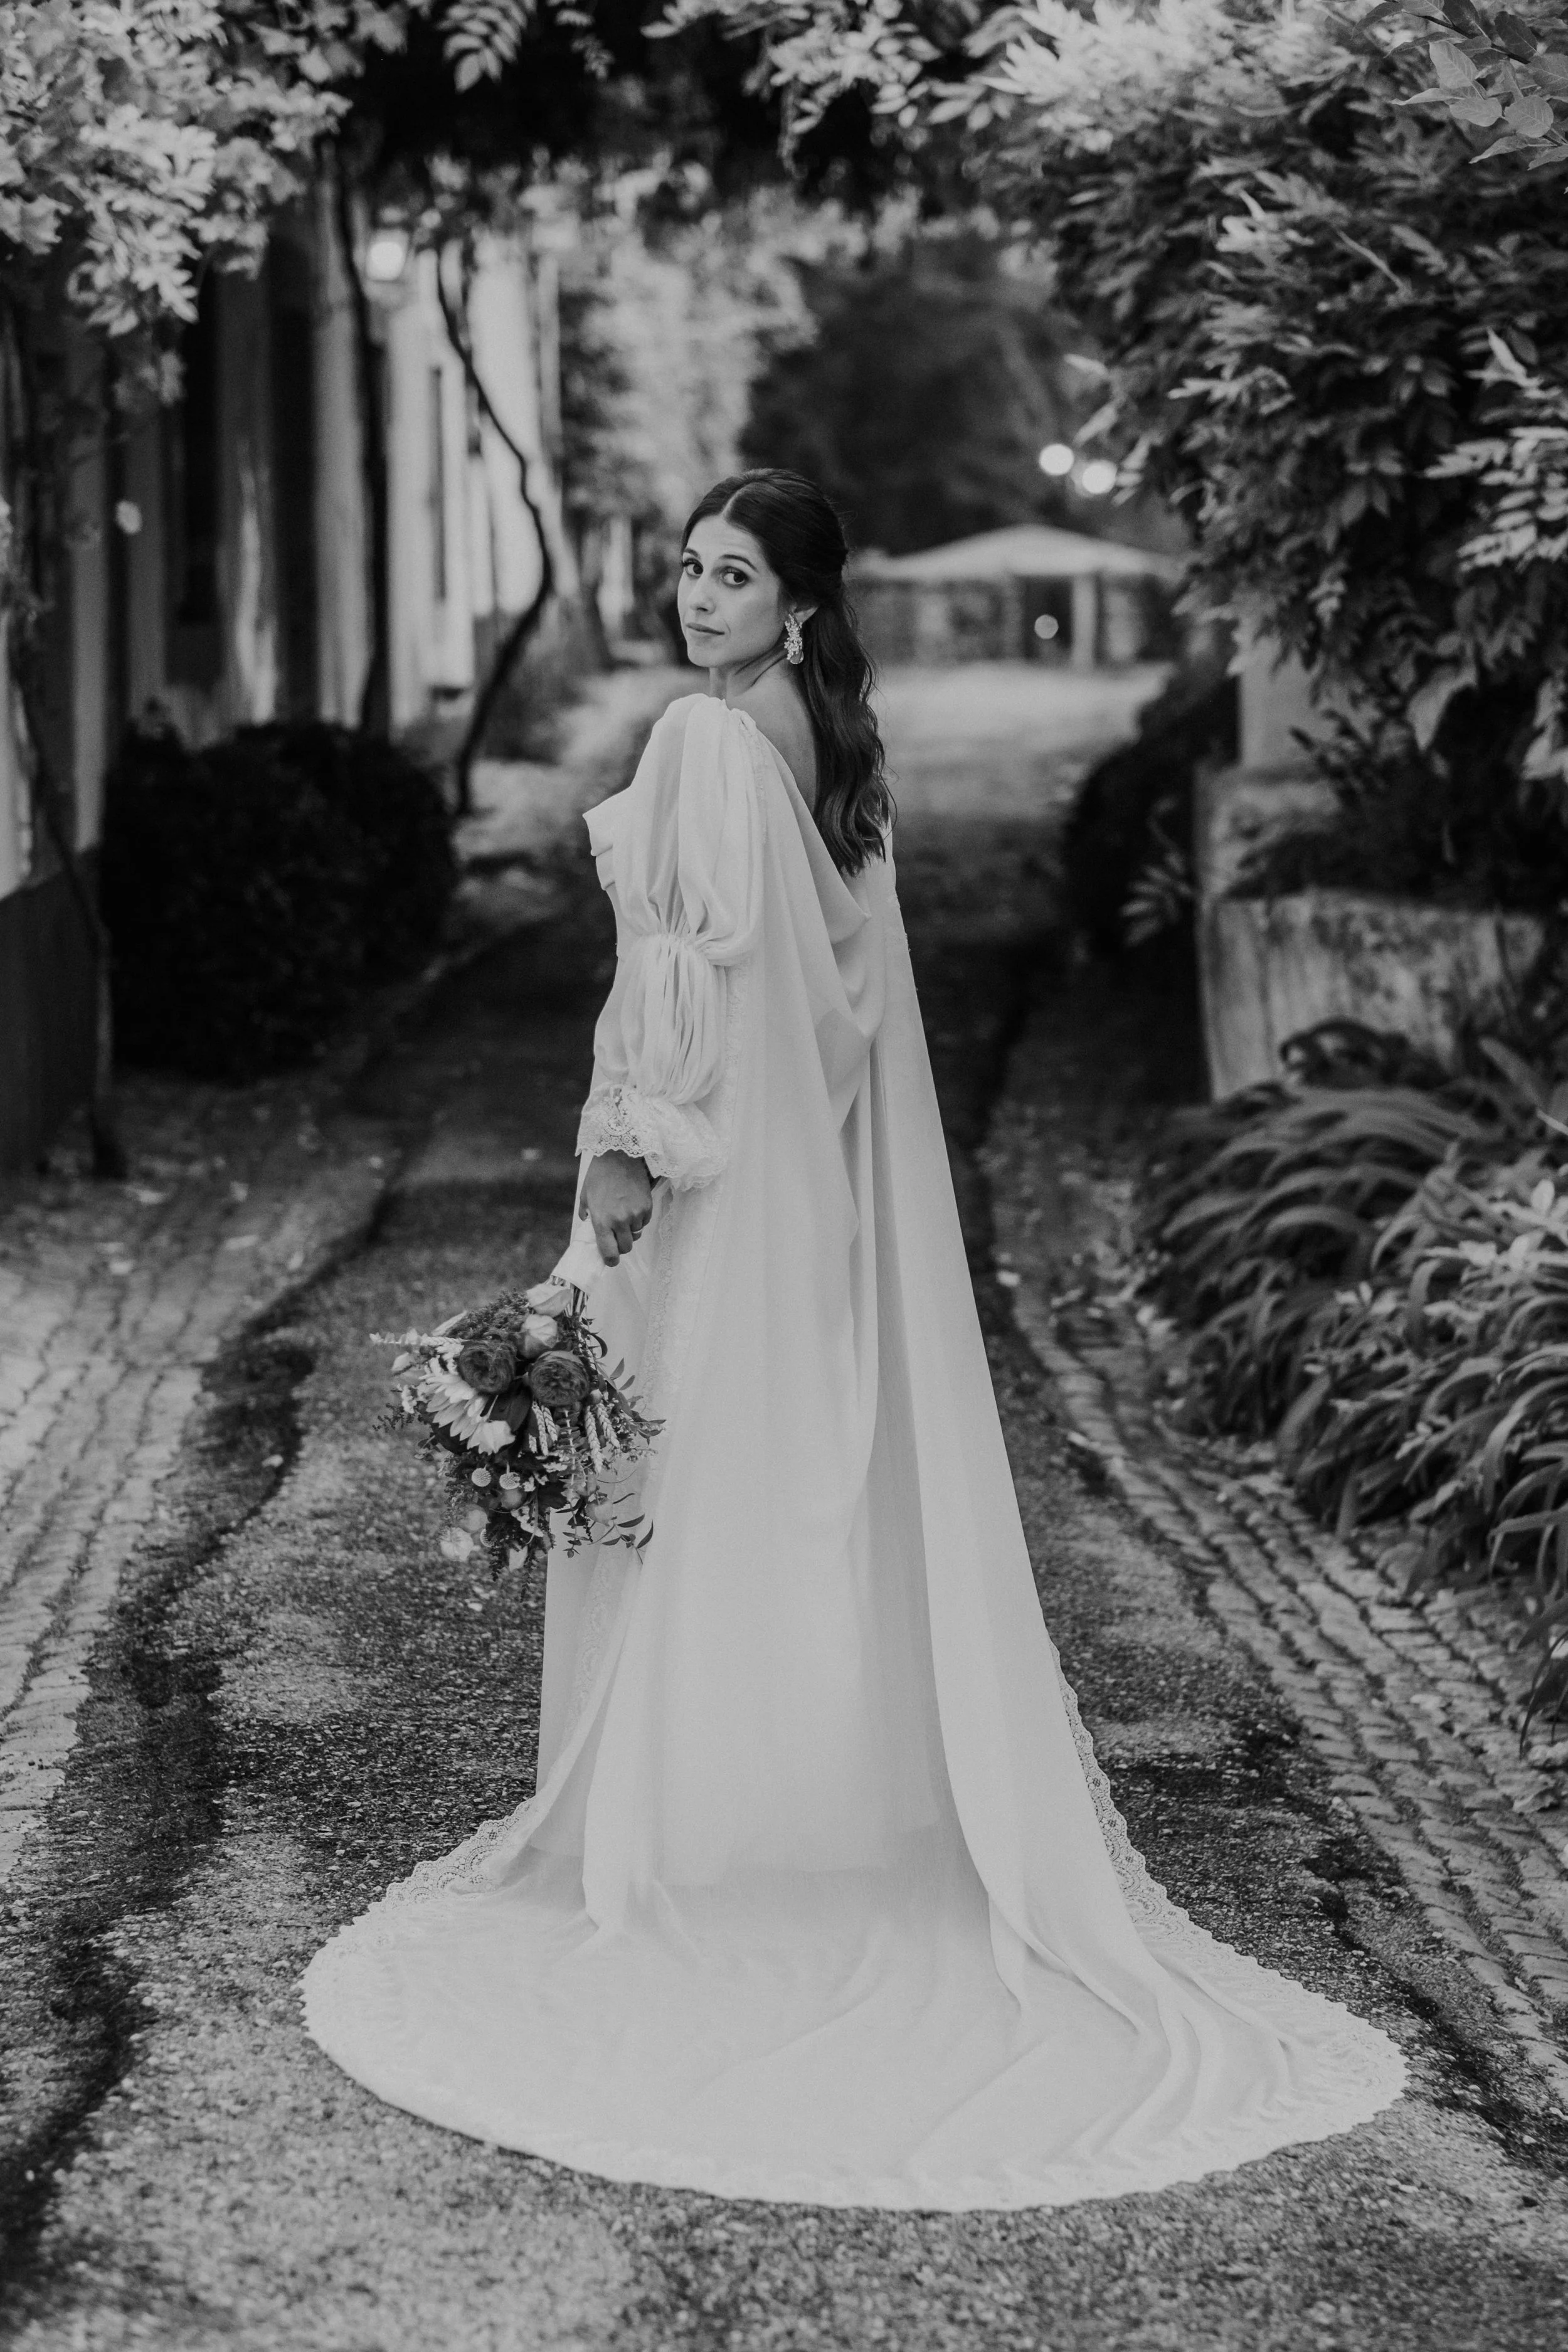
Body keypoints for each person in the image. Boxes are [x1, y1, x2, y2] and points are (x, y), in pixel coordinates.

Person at [302, 469, 1404, 2209]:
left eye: (732, 576)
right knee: (782, 1480)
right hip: (803, 1191)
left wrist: (623, 1155)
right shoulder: (834, 758)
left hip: (701, 1176)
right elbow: (841, 1018)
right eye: (689, 568)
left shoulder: (706, 741)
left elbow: (683, 980)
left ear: (798, 604)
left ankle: (684, 1835)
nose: (696, 596)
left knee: (674, 1475)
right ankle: (781, 1810)